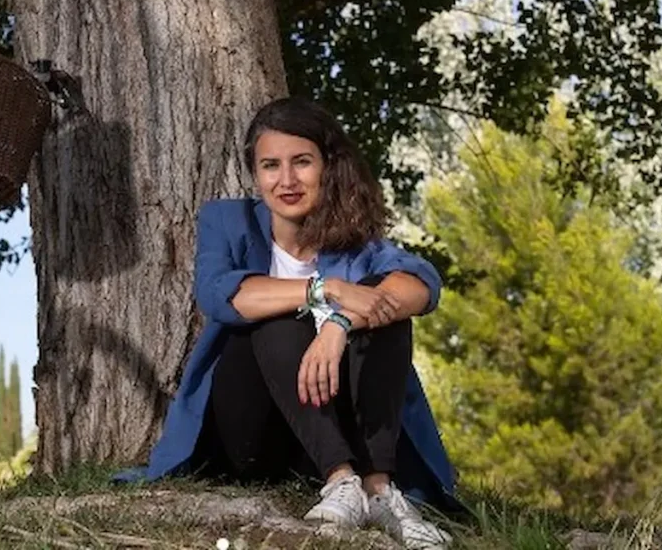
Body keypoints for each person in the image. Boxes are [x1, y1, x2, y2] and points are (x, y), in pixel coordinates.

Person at [136, 97, 456, 548]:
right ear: (255, 173)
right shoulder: (227, 220)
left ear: (327, 166)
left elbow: (423, 284)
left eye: (301, 162)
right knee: (274, 315)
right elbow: (218, 293)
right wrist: (322, 291)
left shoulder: (356, 243)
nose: (286, 180)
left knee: (384, 313)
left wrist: (339, 323)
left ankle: (377, 489)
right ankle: (341, 480)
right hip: (252, 435)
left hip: (329, 430)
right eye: (271, 166)